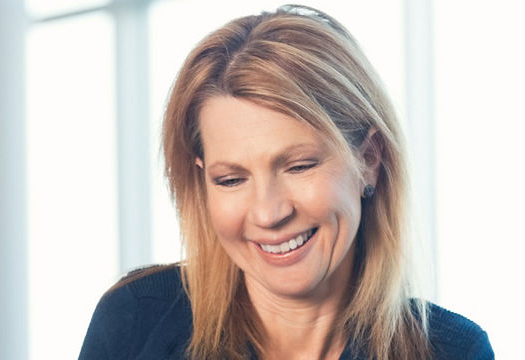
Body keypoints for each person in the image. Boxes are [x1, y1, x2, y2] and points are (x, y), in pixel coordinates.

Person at [79, 5, 492, 359]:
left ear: (368, 159)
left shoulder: (449, 351)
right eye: (231, 179)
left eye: (298, 166)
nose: (268, 213)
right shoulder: (137, 321)